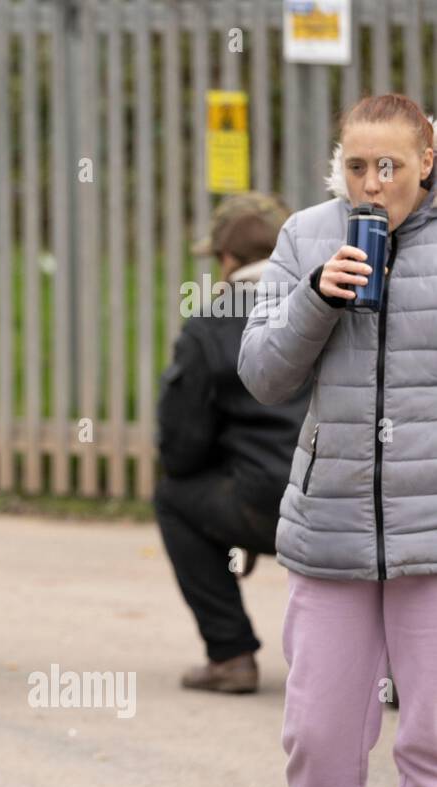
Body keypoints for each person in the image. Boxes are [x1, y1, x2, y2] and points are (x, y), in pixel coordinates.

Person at [238, 93, 437, 787]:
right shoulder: (305, 236)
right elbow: (261, 375)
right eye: (356, 166)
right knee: (319, 744)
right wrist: (315, 297)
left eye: (389, 165)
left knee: (429, 742)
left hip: (432, 535)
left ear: (426, 160)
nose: (372, 183)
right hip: (331, 529)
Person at [155, 193, 308, 694]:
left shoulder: (210, 324)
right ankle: (397, 673)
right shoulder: (333, 300)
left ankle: (230, 653)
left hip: (266, 505)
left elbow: (181, 448)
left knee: (174, 497)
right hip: (351, 499)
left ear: (226, 260)